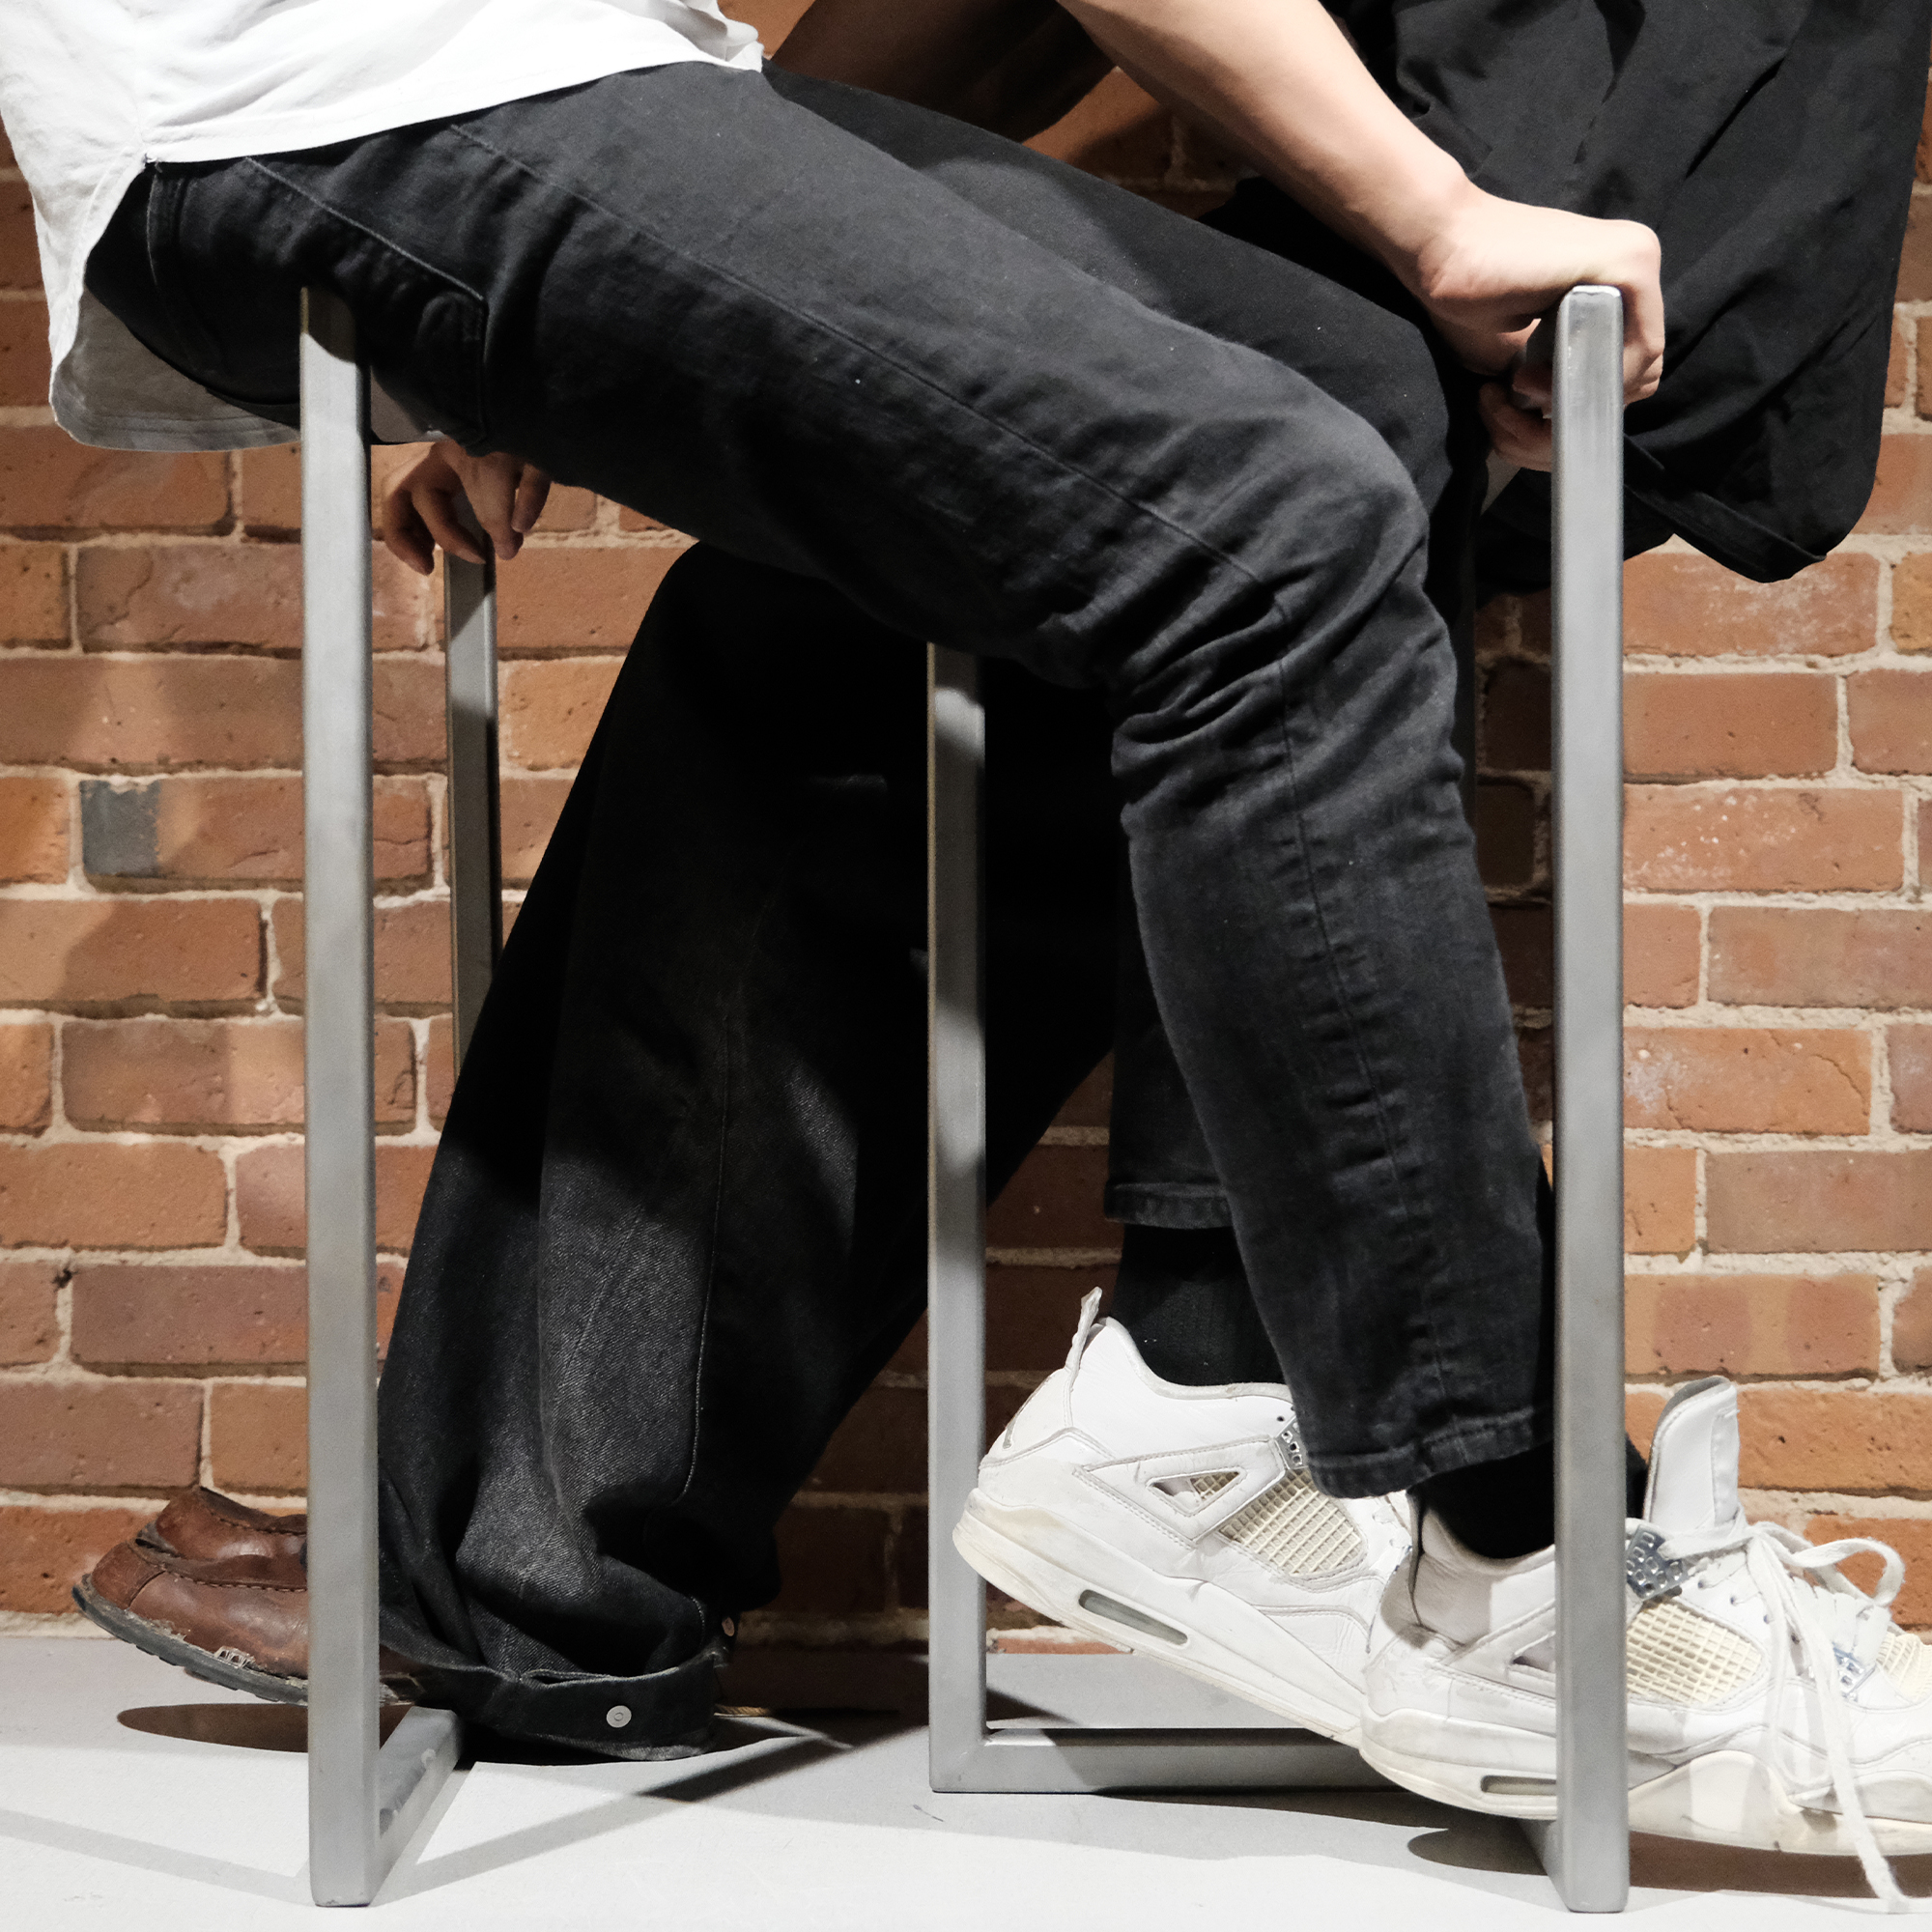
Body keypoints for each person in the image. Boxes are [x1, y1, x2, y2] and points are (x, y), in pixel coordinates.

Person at [7, 0, 1927, 1885]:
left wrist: (734, 274)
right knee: (1268, 524)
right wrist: (1428, 205)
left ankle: (1196, 1368)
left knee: (1345, 391)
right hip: (341, 83)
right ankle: (1515, 1540)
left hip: (561, 72)